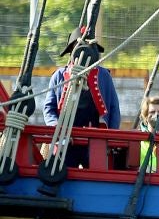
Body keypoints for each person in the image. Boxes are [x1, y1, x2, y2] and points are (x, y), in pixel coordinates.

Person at [43, 30, 121, 169]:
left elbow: (114, 109)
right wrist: (57, 128)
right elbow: (49, 108)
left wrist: (111, 137)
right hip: (65, 140)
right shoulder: (60, 76)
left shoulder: (103, 76)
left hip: (96, 140)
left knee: (96, 178)